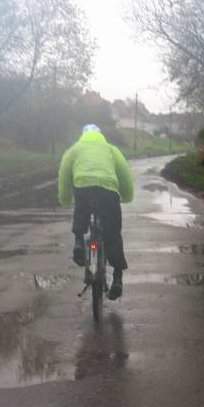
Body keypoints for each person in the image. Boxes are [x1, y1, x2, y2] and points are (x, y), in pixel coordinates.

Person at [58, 124, 134, 300]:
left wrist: (65, 200)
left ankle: (78, 241)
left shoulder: (74, 150)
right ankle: (117, 278)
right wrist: (127, 196)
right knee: (113, 234)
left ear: (82, 136)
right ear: (101, 136)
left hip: (84, 189)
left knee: (82, 211)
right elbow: (124, 174)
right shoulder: (111, 150)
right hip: (108, 193)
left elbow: (64, 174)